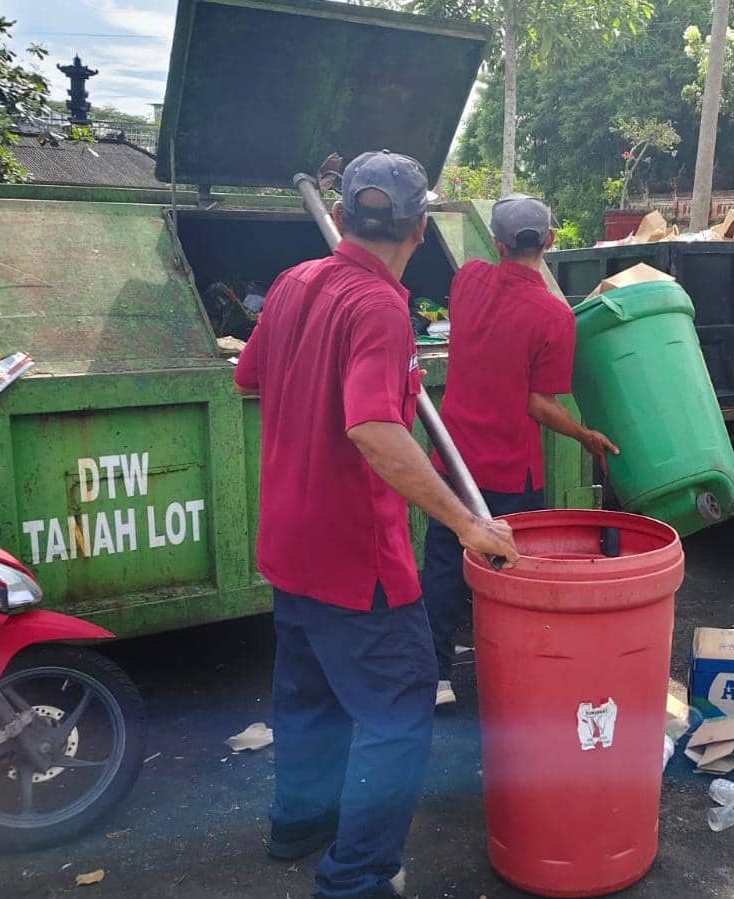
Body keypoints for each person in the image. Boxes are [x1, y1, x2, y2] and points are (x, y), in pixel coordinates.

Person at [234, 150, 518, 899]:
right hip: (355, 557)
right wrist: (466, 522)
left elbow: (249, 376)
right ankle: (356, 876)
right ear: (419, 228)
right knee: (399, 708)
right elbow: (372, 430)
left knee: (307, 694)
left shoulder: (296, 281)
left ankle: (298, 823)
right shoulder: (380, 307)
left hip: (289, 545)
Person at [421, 194, 618, 707]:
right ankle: (513, 673)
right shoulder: (554, 316)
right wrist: (584, 434)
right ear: (550, 241)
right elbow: (539, 404)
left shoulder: (468, 281)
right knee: (510, 571)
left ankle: (437, 676)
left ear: (500, 242)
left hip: (453, 458)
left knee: (443, 566)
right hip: (511, 471)